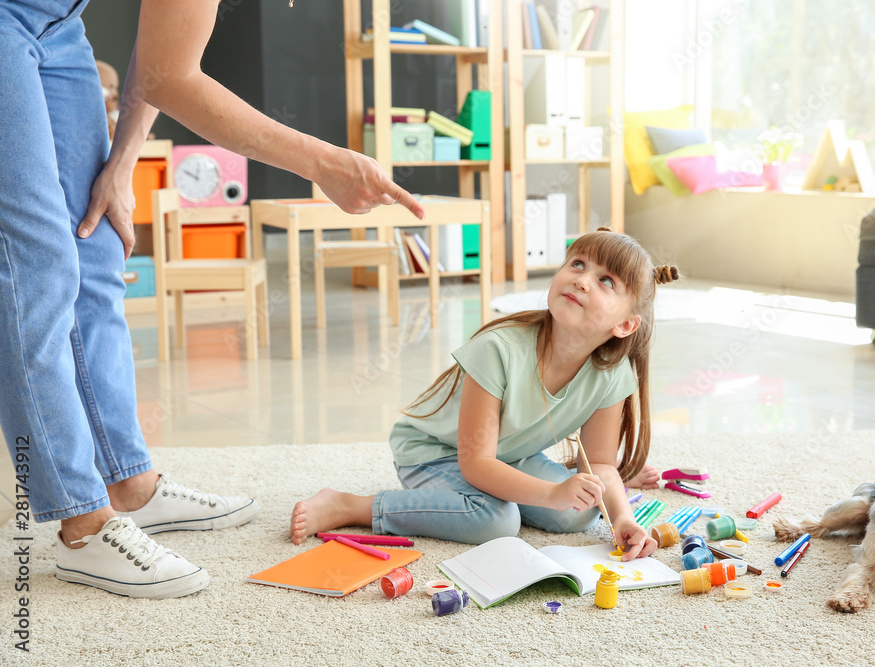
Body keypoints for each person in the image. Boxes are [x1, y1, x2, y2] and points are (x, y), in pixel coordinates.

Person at [0, 0, 424, 599]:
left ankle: (129, 485)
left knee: (96, 244)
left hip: (58, 22)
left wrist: (122, 163)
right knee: (35, 262)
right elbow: (176, 80)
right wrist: (323, 163)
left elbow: (160, 58)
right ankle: (80, 520)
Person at [290, 229, 679, 561]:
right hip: (435, 452)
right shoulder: (499, 348)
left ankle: (520, 497)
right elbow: (475, 463)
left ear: (626, 324)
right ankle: (349, 504)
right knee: (496, 520)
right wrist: (551, 491)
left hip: (510, 455)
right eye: (577, 264)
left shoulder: (613, 374)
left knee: (580, 511)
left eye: (606, 281)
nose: (582, 279)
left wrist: (623, 518)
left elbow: (598, 465)